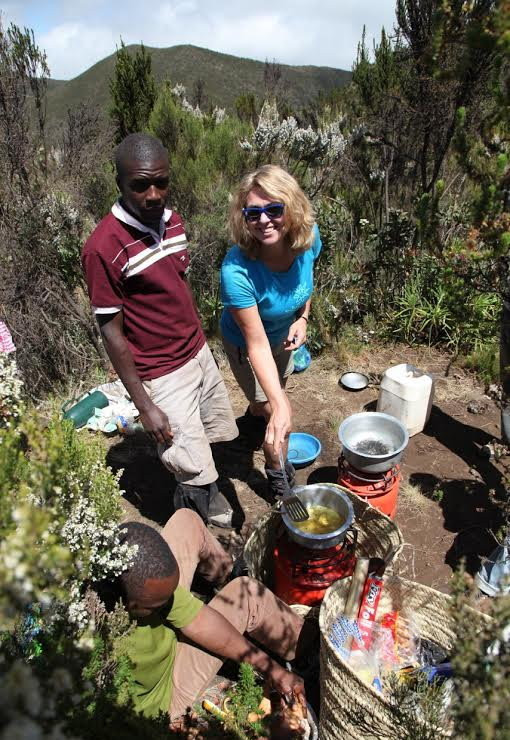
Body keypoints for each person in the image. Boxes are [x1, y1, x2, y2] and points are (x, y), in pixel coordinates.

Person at [82, 133, 238, 527]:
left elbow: (178, 280)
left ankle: (210, 494)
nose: (153, 194)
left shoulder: (171, 221)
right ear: (120, 183)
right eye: (140, 185)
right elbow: (111, 332)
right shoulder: (103, 247)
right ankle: (196, 533)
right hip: (162, 372)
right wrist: (145, 405)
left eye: (161, 182)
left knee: (206, 436)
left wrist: (202, 337)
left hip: (197, 354)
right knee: (185, 459)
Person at [117, 511, 309, 728]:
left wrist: (272, 669)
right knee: (247, 594)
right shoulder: (97, 644)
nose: (168, 605)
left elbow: (198, 620)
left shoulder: (142, 594)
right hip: (165, 692)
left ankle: (227, 574)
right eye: (158, 605)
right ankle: (307, 653)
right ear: (124, 605)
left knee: (186, 521)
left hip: (158, 624)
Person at [220, 165, 322, 500]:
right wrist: (280, 406)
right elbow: (255, 343)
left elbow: (306, 282)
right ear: (244, 218)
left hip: (283, 339)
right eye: (253, 213)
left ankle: (250, 425)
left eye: (274, 209)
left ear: (292, 209)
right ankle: (279, 480)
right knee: (276, 410)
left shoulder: (308, 240)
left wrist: (303, 318)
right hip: (248, 347)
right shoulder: (237, 271)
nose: (264, 220)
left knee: (268, 401)